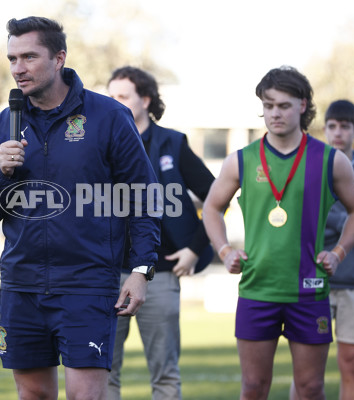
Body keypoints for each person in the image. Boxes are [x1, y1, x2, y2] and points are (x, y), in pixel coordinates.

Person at [0, 17, 161, 400]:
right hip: (21, 285)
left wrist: (141, 269)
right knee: (34, 396)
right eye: (12, 58)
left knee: (84, 397)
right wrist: (1, 173)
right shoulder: (2, 125)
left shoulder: (108, 117)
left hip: (86, 284)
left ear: (59, 58)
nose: (17, 68)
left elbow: (145, 196)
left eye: (28, 56)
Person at [202, 66, 354, 400]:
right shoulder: (240, 161)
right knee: (253, 387)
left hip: (308, 290)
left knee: (310, 388)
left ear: (302, 106)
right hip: (257, 289)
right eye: (268, 105)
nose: (274, 113)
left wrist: (338, 253)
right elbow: (210, 208)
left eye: (283, 105)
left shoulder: (331, 160)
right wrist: (224, 251)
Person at [106, 66, 215, 400]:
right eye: (111, 97)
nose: (116, 104)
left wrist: (196, 248)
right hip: (107, 274)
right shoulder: (100, 140)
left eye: (123, 97)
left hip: (160, 273)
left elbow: (216, 193)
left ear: (146, 99)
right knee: (102, 371)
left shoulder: (173, 142)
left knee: (165, 374)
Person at [292, 100, 354, 400]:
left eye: (344, 126)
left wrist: (331, 214)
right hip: (313, 282)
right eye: (332, 126)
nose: (337, 132)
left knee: (351, 365)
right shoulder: (311, 171)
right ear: (325, 129)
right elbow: (303, 223)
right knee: (306, 373)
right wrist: (353, 216)